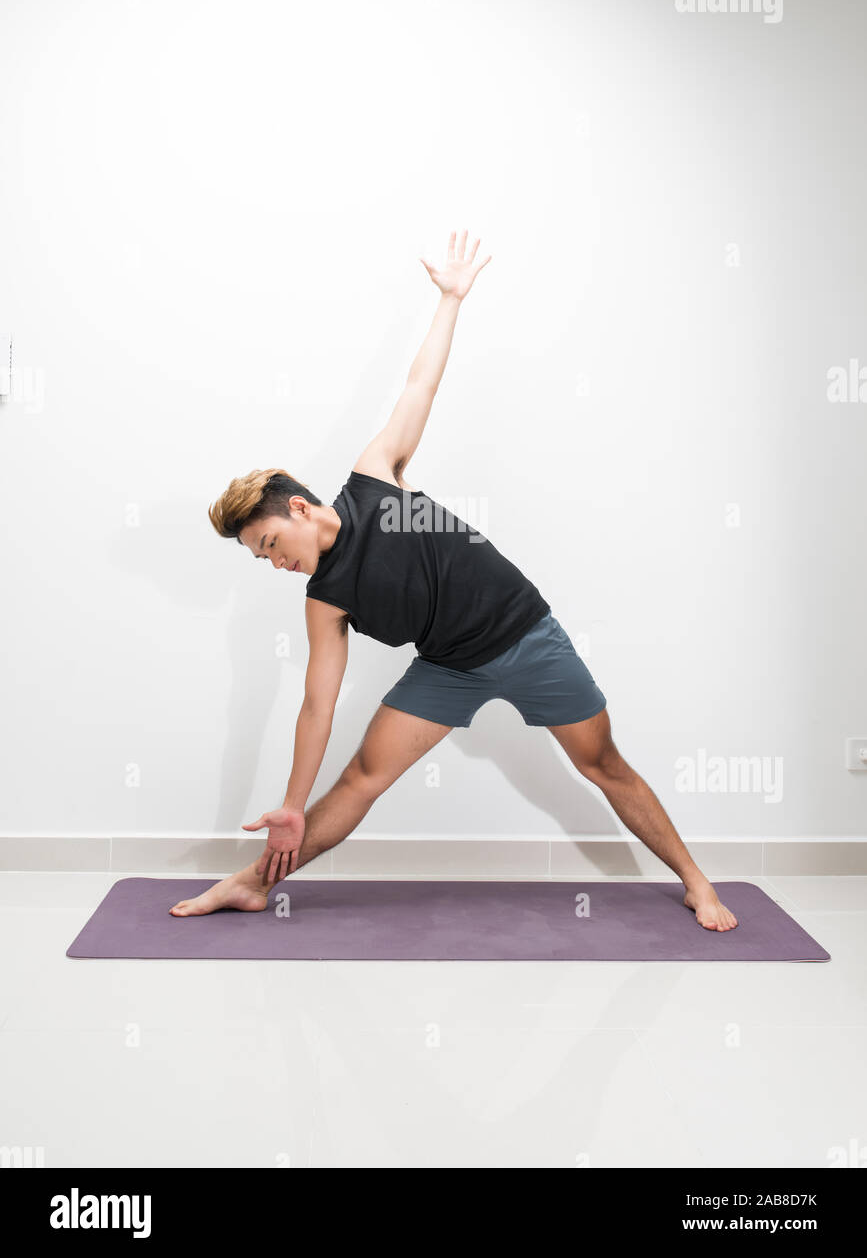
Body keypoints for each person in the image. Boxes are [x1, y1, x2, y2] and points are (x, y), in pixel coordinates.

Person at [170, 231, 737, 931]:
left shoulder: (375, 477)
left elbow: (419, 384)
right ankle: (252, 883)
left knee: (601, 765)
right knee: (361, 778)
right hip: (448, 668)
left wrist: (448, 299)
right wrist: (291, 801)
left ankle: (694, 880)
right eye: (261, 559)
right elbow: (315, 706)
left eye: (269, 544)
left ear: (298, 508)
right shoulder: (325, 601)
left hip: (528, 638)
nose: (274, 563)